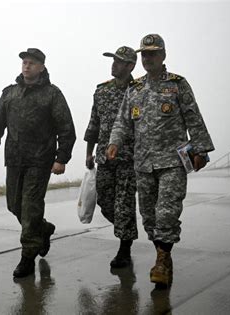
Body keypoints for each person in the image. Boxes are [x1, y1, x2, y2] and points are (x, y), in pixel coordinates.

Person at [107, 34, 215, 287]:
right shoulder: (135, 89)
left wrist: (200, 149)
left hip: (172, 163)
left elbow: (193, 117)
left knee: (166, 213)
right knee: (149, 217)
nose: (148, 58)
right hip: (142, 163)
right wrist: (114, 142)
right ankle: (162, 254)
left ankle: (162, 261)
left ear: (163, 55)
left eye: (153, 53)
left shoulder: (177, 84)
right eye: (144, 54)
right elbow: (123, 121)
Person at [0, 48, 76, 278]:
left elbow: (66, 127)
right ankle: (43, 229)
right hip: (14, 159)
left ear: (42, 67)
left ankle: (27, 256)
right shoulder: (10, 93)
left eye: (32, 63)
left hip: (40, 160)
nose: (26, 66)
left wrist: (61, 158)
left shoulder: (52, 94)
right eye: (24, 62)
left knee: (31, 207)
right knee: (15, 205)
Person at [84, 46, 138, 268]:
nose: (113, 64)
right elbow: (93, 123)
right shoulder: (102, 91)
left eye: (119, 61)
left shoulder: (140, 90)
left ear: (130, 66)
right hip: (104, 157)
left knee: (124, 203)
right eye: (113, 60)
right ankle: (126, 229)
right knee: (105, 202)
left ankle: (124, 249)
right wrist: (89, 152)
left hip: (130, 158)